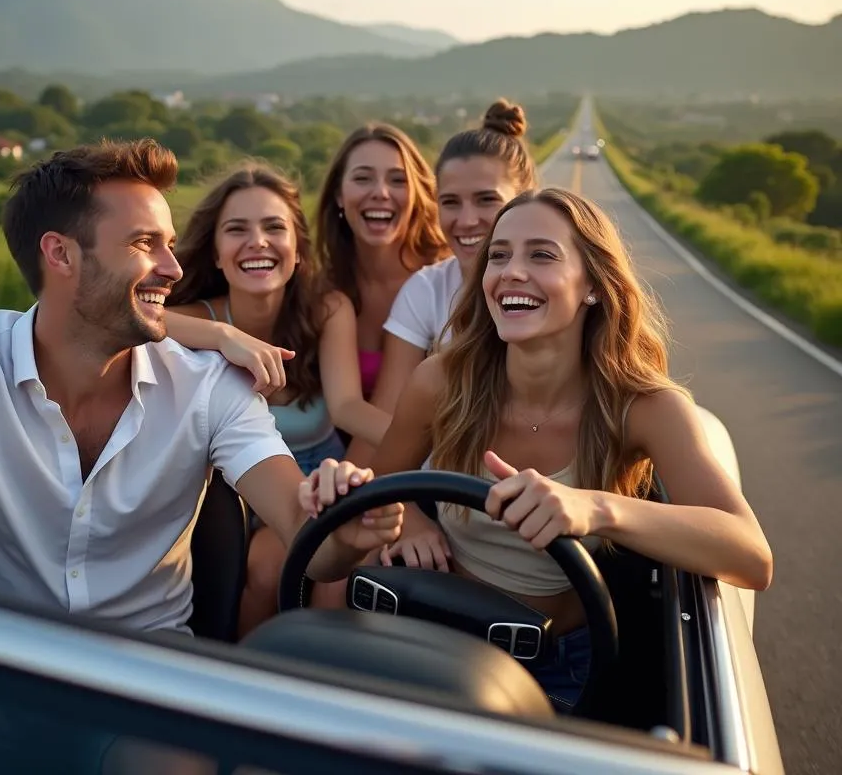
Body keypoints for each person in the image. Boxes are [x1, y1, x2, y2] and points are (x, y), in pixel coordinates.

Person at [0, 139, 403, 775]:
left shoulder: (212, 388)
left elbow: (307, 535)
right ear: (60, 253)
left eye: (170, 243)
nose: (174, 268)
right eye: (143, 244)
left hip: (144, 682)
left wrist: (347, 526)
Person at [302, 187, 772, 712]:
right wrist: (364, 513)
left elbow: (751, 556)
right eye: (498, 256)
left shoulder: (643, 407)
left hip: (556, 666)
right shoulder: (440, 381)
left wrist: (595, 508)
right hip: (431, 638)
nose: (512, 271)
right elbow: (356, 527)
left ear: (593, 285)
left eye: (541, 255)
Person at [164, 164, 392, 633]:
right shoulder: (193, 320)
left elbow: (348, 407)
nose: (258, 242)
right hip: (239, 500)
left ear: (297, 249)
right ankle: (241, 678)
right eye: (237, 230)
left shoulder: (327, 309)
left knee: (340, 577)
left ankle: (327, 687)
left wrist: (442, 446)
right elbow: (137, 322)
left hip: (321, 482)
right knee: (268, 571)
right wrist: (222, 334)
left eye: (274, 227)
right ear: (217, 252)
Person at [371, 98, 538, 415]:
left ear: (525, 195)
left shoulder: (553, 291)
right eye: (450, 202)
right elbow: (388, 417)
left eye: (486, 199)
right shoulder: (426, 290)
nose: (466, 220)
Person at [314, 123, 449, 465]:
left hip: (437, 462)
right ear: (339, 196)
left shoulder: (444, 282)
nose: (381, 192)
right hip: (342, 462)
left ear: (419, 193)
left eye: (397, 180)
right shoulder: (322, 291)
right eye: (363, 178)